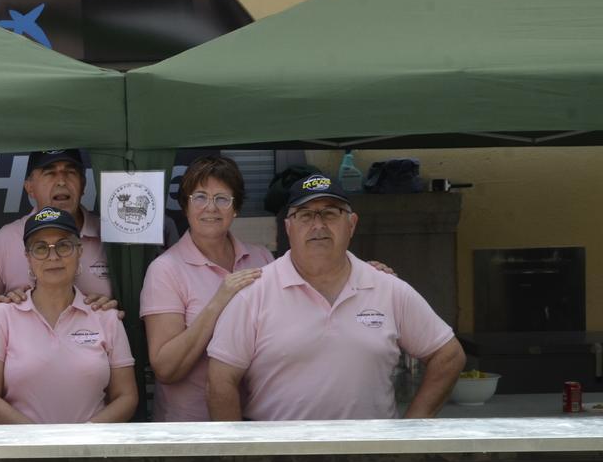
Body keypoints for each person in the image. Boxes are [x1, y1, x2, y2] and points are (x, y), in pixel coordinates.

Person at [207, 173, 465, 421]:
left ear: (351, 224)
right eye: (305, 215)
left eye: (330, 214)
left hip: (371, 458)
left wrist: (412, 429)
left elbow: (449, 355)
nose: (318, 225)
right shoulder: (254, 294)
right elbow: (220, 381)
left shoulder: (387, 288)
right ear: (289, 227)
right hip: (280, 459)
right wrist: (245, 456)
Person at [0, 207, 137, 424]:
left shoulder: (106, 317)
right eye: (40, 248)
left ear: (79, 251)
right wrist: (39, 440)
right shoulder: (1, 316)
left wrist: (83, 440)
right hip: (22, 451)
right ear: (28, 258)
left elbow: (127, 397)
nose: (53, 256)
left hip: (88, 453)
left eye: (64, 246)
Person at [140, 156, 273, 422]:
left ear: (235, 209)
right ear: (185, 207)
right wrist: (219, 300)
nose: (210, 208)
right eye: (200, 197)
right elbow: (166, 368)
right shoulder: (165, 269)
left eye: (222, 198)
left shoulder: (263, 259)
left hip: (260, 421)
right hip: (190, 429)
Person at [0, 149, 111, 308]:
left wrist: (111, 313)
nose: (61, 181)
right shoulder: (5, 239)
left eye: (70, 172)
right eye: (50, 173)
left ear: (83, 184)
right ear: (29, 187)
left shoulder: (110, 235)